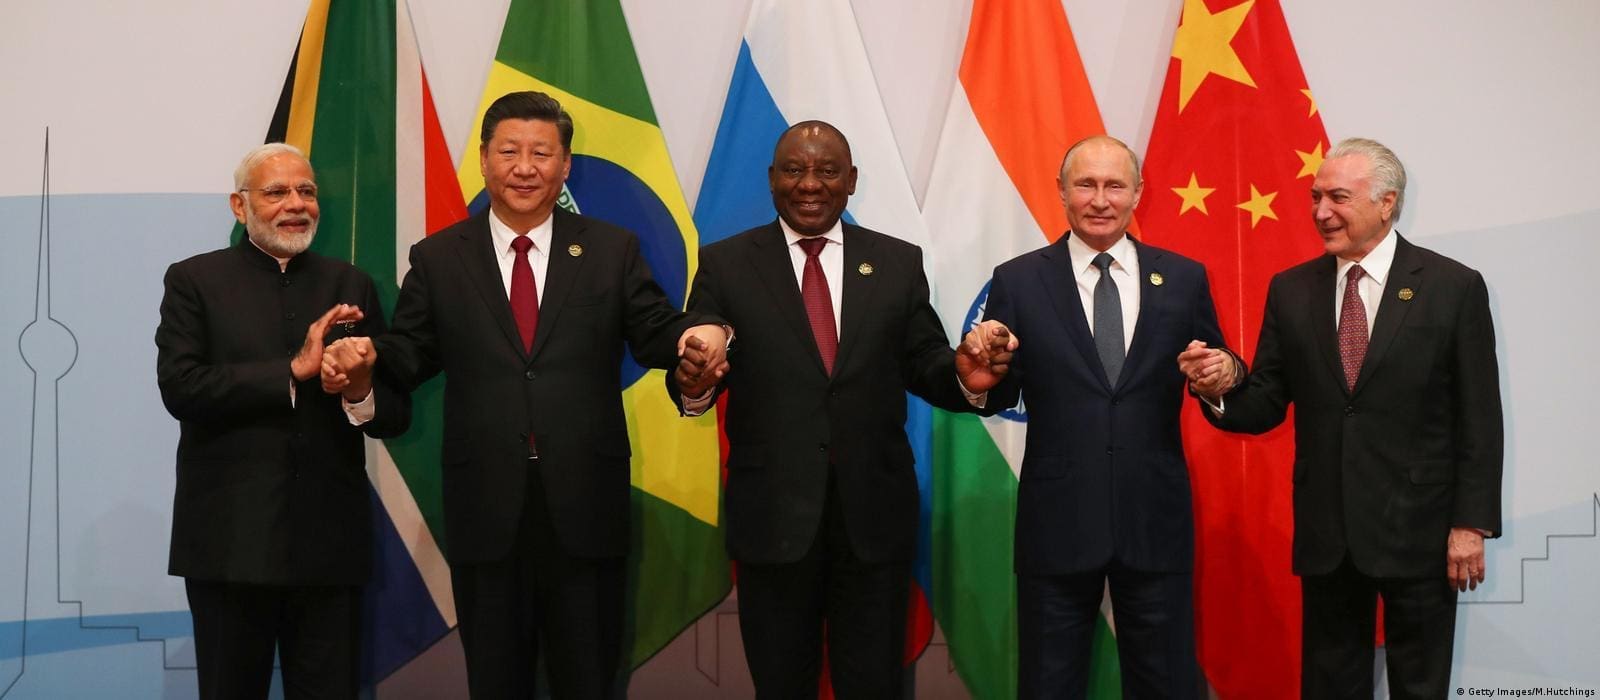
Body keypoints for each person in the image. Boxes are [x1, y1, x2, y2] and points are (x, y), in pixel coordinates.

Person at [329, 91, 727, 698]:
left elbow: (654, 332)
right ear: (484, 161)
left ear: (564, 165)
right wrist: (364, 371)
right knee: (496, 681)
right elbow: (408, 354)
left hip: (586, 506)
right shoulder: (439, 259)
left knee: (588, 678)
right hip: (484, 510)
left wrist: (700, 334)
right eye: (509, 151)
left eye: (542, 153)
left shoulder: (609, 248)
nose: (524, 167)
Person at [665, 120, 1015, 698]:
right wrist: (695, 382)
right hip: (772, 520)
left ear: (851, 181)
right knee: (781, 684)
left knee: (873, 683)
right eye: (795, 170)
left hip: (873, 519)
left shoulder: (898, 262)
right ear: (771, 178)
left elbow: (925, 361)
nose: (810, 184)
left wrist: (965, 377)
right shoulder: (726, 264)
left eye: (828, 171)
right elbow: (700, 366)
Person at [1181, 137, 1502, 699]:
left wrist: (1470, 525)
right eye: (1315, 197)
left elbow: (1480, 416)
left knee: (1420, 685)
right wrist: (1217, 389)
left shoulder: (1453, 287)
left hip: (1422, 529)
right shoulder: (1291, 289)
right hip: (1329, 531)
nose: (1321, 212)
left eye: (1338, 198)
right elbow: (1265, 401)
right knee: (1330, 685)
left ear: (1386, 202)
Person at [981, 135, 1238, 698]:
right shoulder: (1018, 280)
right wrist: (983, 375)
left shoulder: (1184, 277)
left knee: (1166, 681)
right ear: (1062, 193)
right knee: (1049, 682)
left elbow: (1217, 369)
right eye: (1086, 184)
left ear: (1138, 193)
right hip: (1058, 520)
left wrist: (1223, 375)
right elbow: (998, 390)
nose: (1100, 199)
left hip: (1154, 517)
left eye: (1115, 185)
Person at [155, 142, 411, 699]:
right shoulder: (194, 282)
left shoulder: (352, 285)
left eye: (307, 191)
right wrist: (294, 371)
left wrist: (360, 388)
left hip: (329, 548)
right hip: (228, 546)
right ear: (239, 206)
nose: (296, 204)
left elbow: (392, 416)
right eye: (276, 192)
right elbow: (181, 388)